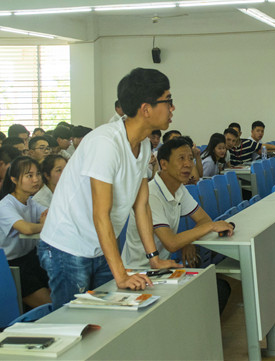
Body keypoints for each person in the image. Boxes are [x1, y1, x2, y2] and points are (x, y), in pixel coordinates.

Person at [38, 67, 179, 309]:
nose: (172, 108)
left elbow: (141, 205)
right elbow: (100, 213)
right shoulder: (106, 143)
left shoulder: (143, 144)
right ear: (146, 109)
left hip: (100, 245)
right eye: (168, 101)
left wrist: (153, 258)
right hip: (68, 246)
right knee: (75, 320)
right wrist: (121, 274)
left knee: (107, 316)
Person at [121, 138, 234, 313]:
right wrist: (210, 228)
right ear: (164, 164)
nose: (188, 164)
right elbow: (172, 243)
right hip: (140, 273)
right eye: (181, 158)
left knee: (218, 288)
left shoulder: (179, 189)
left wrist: (187, 240)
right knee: (216, 291)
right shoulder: (151, 194)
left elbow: (203, 219)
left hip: (163, 269)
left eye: (190, 158)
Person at [0, 156, 51, 308]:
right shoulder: (5, 206)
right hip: (7, 265)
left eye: (38, 174)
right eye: (29, 176)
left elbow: (53, 216)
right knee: (50, 305)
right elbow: (26, 229)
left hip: (29, 259)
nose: (36, 179)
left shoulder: (30, 202)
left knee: (61, 289)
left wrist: (45, 222)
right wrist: (43, 225)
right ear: (14, 179)